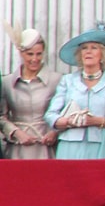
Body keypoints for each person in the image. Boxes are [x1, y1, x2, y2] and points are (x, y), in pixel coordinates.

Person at [44, 22, 105, 159]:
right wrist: (68, 121)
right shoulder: (68, 81)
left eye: (94, 48)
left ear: (103, 54)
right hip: (70, 146)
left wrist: (97, 121)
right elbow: (51, 115)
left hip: (102, 145)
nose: (88, 51)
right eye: (84, 48)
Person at [0, 23, 62, 159]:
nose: (35, 59)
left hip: (46, 148)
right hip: (17, 149)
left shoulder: (57, 80)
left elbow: (64, 112)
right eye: (30, 54)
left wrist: (54, 132)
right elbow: (1, 117)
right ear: (21, 53)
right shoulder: (7, 82)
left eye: (39, 54)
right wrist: (16, 132)